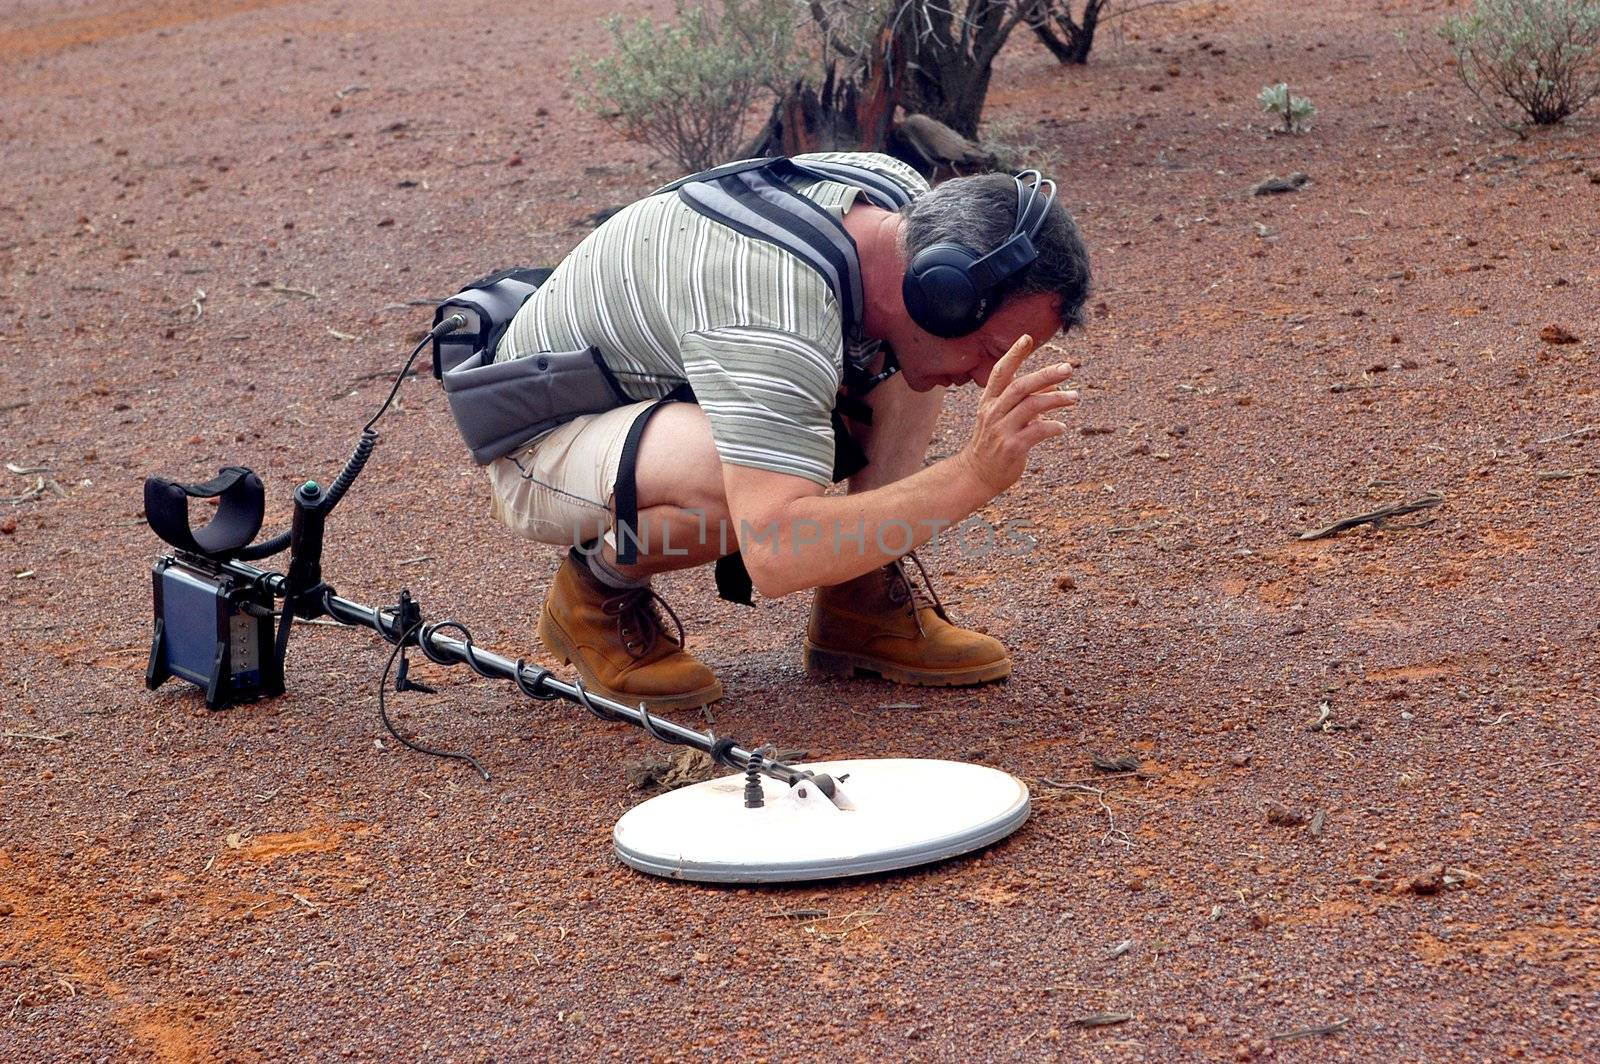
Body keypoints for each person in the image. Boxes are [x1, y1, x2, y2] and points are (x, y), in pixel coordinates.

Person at [485, 152, 1091, 710]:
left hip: (669, 391)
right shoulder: (772, 309)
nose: (990, 376)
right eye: (990, 348)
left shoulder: (902, 210)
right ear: (942, 289)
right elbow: (775, 551)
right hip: (543, 446)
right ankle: (597, 592)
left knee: (916, 357)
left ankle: (859, 596)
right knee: (733, 493)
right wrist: (973, 474)